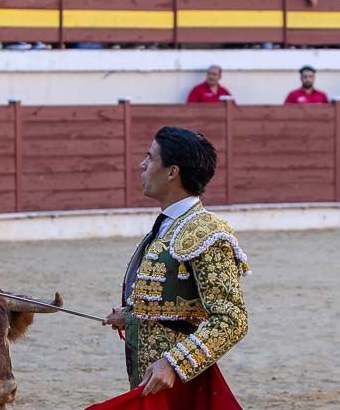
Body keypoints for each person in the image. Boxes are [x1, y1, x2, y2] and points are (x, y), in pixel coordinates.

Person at [103, 127, 250, 392]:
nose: (142, 165)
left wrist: (173, 363)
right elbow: (178, 305)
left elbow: (232, 319)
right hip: (153, 387)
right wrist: (133, 315)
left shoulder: (207, 233)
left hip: (179, 388)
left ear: (172, 172)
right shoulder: (171, 226)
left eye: (150, 158)